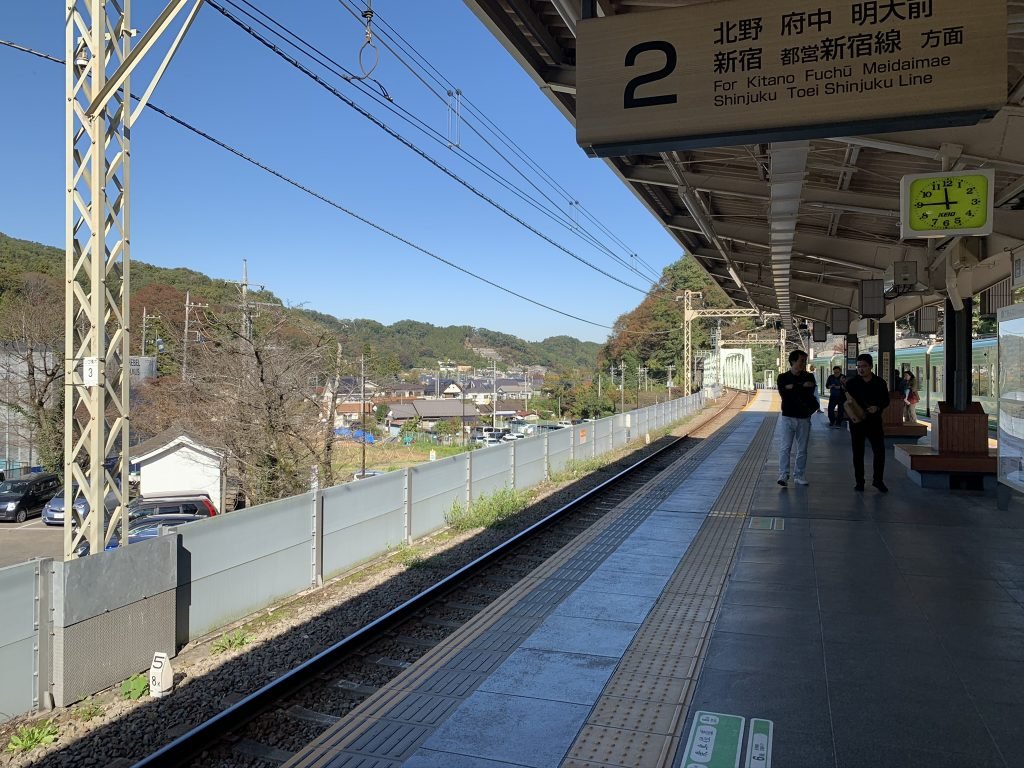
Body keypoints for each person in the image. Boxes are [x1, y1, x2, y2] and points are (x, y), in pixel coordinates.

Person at [844, 353, 890, 492]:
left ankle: (878, 480)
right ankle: (859, 481)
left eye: (864, 366)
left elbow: (886, 400)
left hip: (874, 421)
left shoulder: (880, 382)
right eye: (859, 366)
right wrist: (852, 416)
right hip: (857, 423)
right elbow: (845, 402)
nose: (861, 369)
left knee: (879, 451)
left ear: (870, 366)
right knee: (858, 452)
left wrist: (877, 407)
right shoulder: (852, 383)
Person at [776, 349, 817, 487]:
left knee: (802, 448)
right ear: (793, 361)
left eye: (804, 361)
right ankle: (783, 474)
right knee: (785, 447)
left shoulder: (809, 377)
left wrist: (792, 388)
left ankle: (799, 475)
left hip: (804, 417)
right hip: (787, 417)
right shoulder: (782, 377)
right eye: (801, 361)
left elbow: (809, 392)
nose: (803, 364)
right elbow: (783, 393)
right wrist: (801, 386)